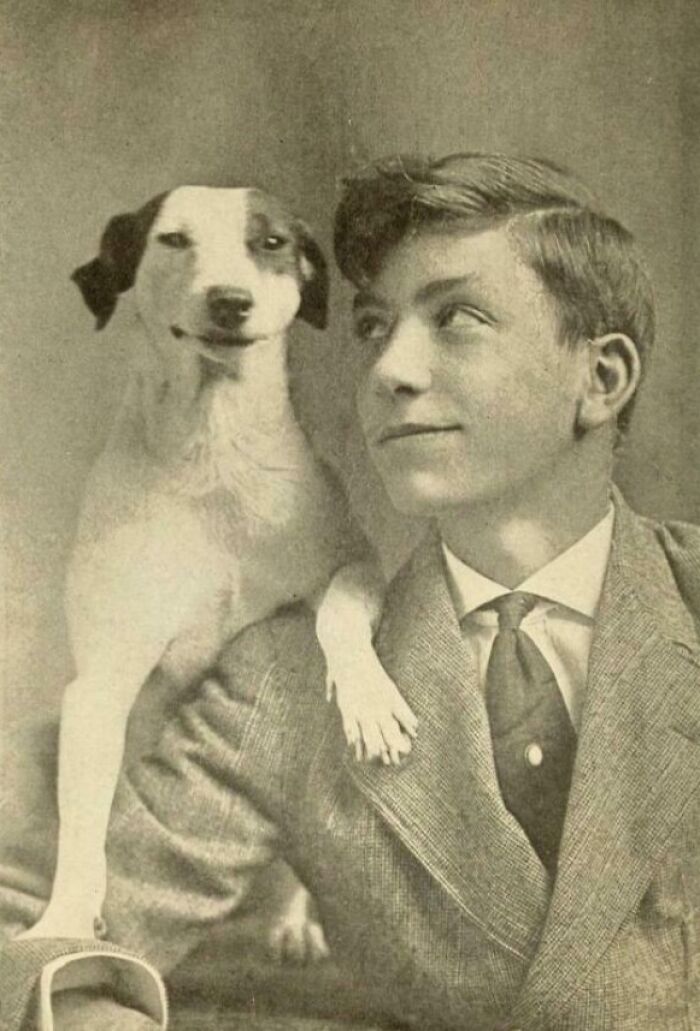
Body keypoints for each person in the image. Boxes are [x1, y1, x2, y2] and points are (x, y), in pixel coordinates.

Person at [2, 152, 699, 1030]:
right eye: (373, 326)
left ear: (601, 380)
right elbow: (47, 944)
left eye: (457, 318)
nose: (387, 369)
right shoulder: (281, 686)